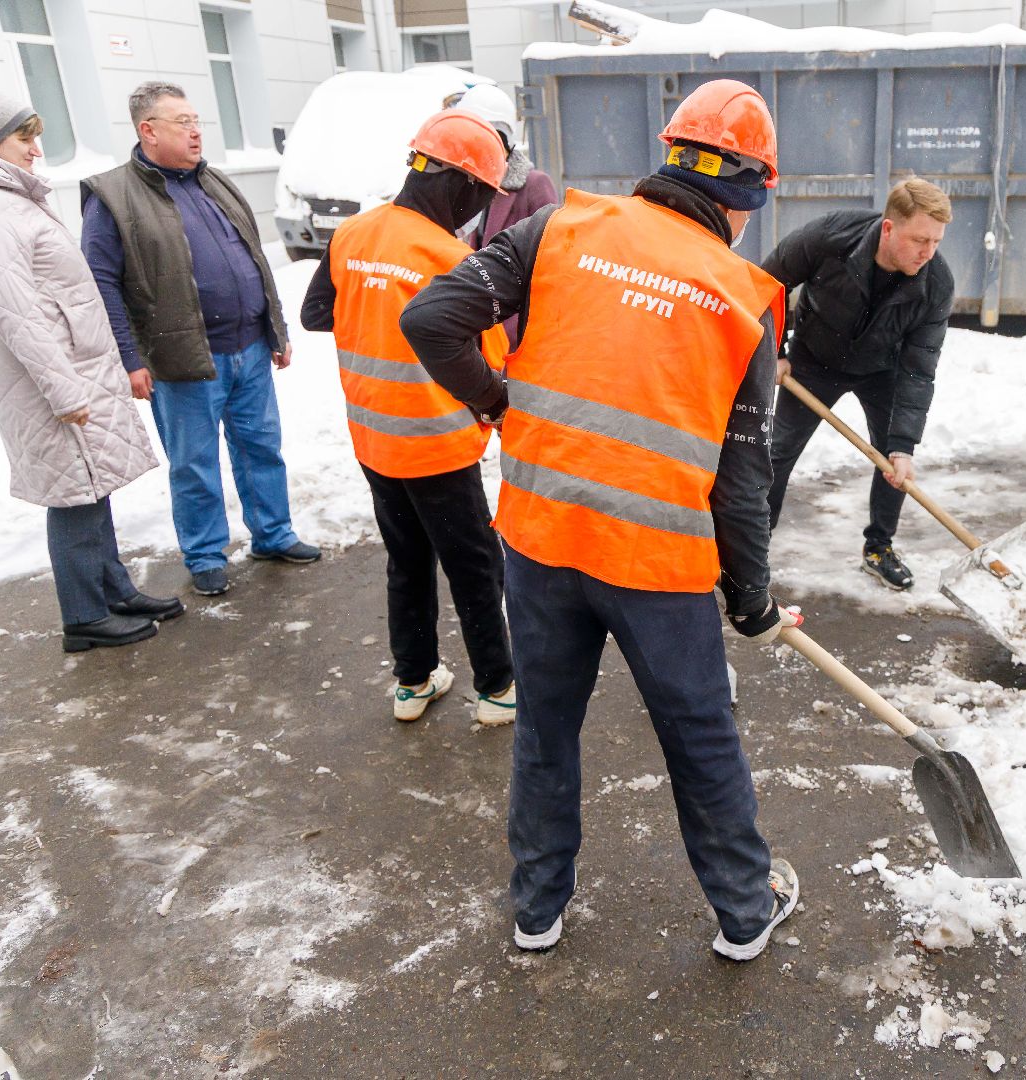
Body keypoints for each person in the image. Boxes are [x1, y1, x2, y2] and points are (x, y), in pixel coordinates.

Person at [401, 79, 801, 961]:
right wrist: (752, 599)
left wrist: (500, 404)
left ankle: (537, 910)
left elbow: (431, 318)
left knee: (546, 728)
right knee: (699, 738)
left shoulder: (558, 230)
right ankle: (743, 911)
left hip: (540, 542)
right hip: (656, 565)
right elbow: (741, 482)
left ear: (667, 161)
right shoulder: (744, 298)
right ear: (750, 195)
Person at [0, 85, 181, 652]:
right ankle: (84, 616)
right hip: (50, 381)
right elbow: (16, 313)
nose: (35, 150)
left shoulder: (5, 197)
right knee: (73, 495)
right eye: (25, 137)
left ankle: (113, 590)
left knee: (94, 487)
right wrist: (64, 390)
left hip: (73, 370)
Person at [298, 110, 517, 726]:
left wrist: (375, 305)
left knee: (408, 559)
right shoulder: (449, 255)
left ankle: (414, 682)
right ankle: (498, 688)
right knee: (475, 565)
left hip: (373, 439)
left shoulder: (353, 234)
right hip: (437, 442)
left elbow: (318, 312)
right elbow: (487, 360)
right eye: (481, 196)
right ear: (461, 183)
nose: (477, 211)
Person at [81, 81, 319, 598]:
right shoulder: (113, 196)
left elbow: (252, 259)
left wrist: (273, 329)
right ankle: (206, 554)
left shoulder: (214, 182)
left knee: (262, 448)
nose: (195, 132)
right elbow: (100, 284)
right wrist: (128, 358)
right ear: (148, 130)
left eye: (196, 121)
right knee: (194, 464)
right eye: (182, 122)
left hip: (250, 349)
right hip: (182, 358)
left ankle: (272, 535)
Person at [761, 178, 954, 591]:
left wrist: (904, 443)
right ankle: (751, 548)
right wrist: (774, 349)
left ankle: (879, 548)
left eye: (936, 241)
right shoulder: (831, 237)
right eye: (920, 239)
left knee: (894, 465)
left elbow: (920, 367)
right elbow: (766, 283)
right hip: (813, 361)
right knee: (775, 455)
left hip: (884, 369)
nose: (928, 252)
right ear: (888, 228)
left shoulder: (935, 282)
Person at [450, 84, 558, 349]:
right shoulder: (462, 185)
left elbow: (550, 264)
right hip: (475, 330)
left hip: (513, 335)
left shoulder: (534, 185)